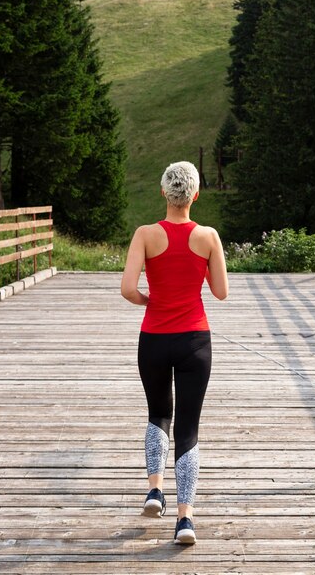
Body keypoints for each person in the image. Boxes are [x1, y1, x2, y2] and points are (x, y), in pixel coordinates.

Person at [120, 161, 228, 545]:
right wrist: (202, 266)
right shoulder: (208, 237)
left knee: (158, 414)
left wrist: (149, 300)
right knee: (188, 428)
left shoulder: (145, 235)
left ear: (163, 192)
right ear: (195, 195)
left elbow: (127, 289)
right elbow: (220, 292)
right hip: (195, 341)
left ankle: (154, 490)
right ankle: (185, 520)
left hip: (153, 338)